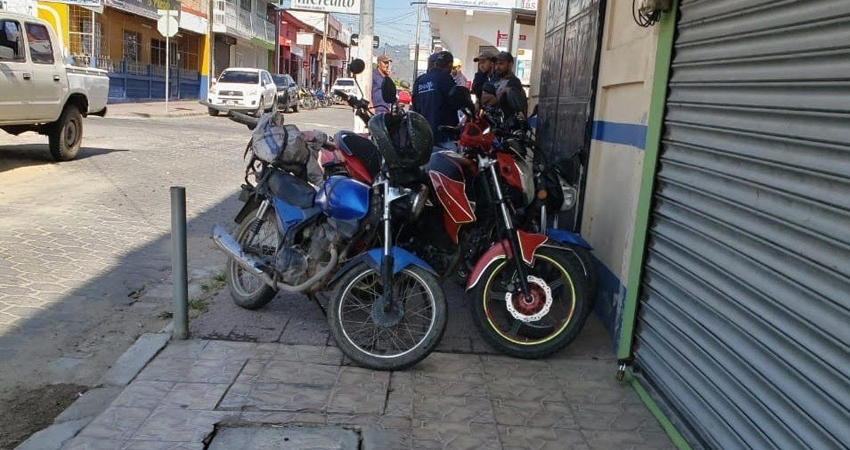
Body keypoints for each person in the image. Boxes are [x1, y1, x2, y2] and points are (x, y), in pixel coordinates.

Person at [412, 51, 458, 148]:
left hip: (424, 135)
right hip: (444, 135)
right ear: (450, 65)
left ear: (435, 63)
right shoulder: (446, 79)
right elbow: (456, 103)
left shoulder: (420, 80)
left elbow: (415, 107)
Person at [493, 51, 528, 117]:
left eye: (501, 64)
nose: (497, 67)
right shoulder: (495, 80)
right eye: (496, 64)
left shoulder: (514, 82)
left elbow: (500, 100)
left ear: (510, 64)